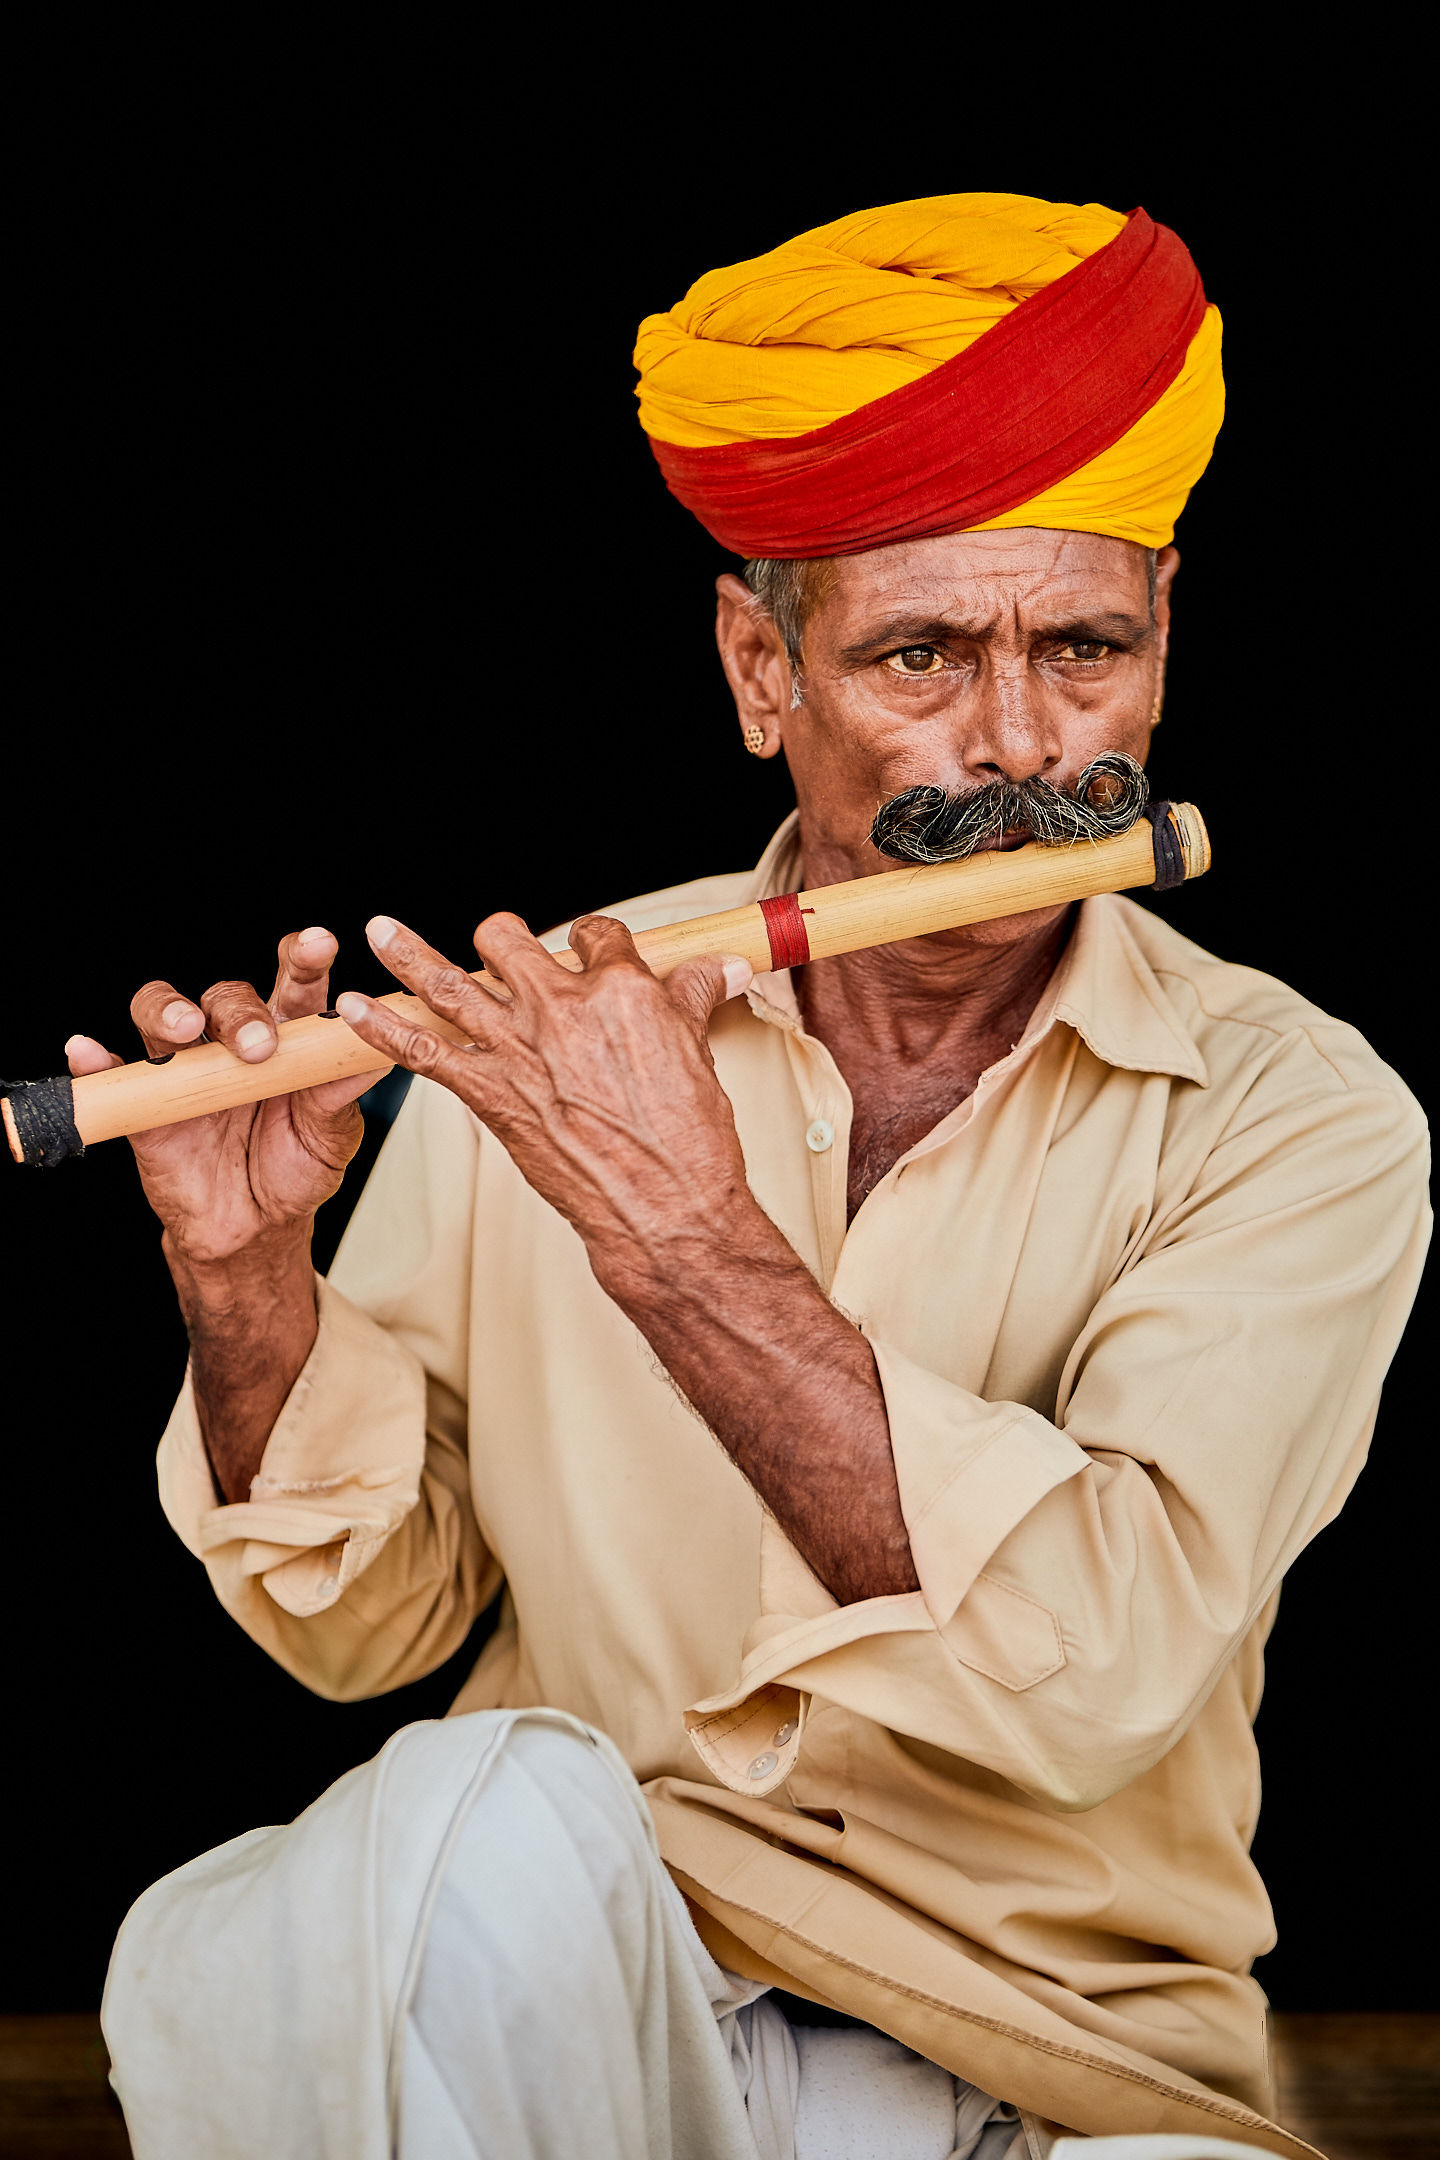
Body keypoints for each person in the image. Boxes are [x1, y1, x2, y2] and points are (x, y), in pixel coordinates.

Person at [88, 196, 1428, 2159]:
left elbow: (1096, 1680)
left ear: (1165, 638)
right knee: (442, 1839)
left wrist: (680, 1234)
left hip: (1067, 2055)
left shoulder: (1296, 1115)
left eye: (1086, 647)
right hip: (604, 1989)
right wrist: (248, 1286)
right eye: (921, 657)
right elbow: (370, 1629)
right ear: (756, 665)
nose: (1025, 749)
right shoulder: (550, 1022)